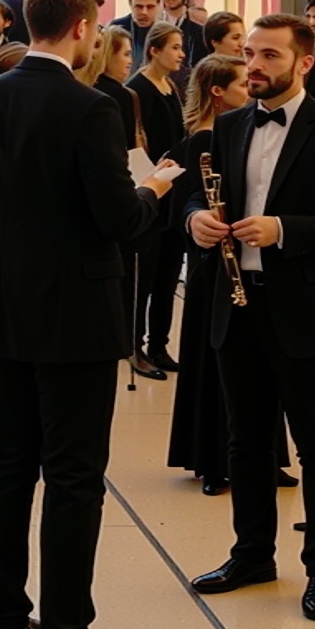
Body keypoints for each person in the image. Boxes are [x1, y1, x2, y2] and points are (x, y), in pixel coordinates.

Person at [0, 0, 178, 629]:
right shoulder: (90, 108)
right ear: (83, 28)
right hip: (75, 313)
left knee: (8, 461)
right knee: (75, 476)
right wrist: (152, 191)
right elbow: (117, 220)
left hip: (1, 303)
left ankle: (1, 625)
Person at [186, 15, 315, 621]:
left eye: (269, 55)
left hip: (306, 308)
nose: (256, 66)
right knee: (247, 440)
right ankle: (252, 554)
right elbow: (199, 192)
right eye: (249, 55)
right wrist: (196, 219)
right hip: (236, 305)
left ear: (305, 63)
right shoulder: (233, 123)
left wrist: (284, 230)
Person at [162, 55, 262, 491]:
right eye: (242, 83)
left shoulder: (232, 130)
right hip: (212, 267)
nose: (249, 89)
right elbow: (191, 205)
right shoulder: (206, 139)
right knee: (215, 366)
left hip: (236, 260)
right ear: (219, 92)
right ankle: (215, 460)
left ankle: (255, 456)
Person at [125, 25, 187, 377]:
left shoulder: (171, 87)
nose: (180, 54)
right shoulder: (138, 89)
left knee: (167, 275)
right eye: (174, 48)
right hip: (152, 188)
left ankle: (159, 344)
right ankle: (135, 346)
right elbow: (138, 144)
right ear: (154, 50)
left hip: (172, 190)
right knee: (145, 277)